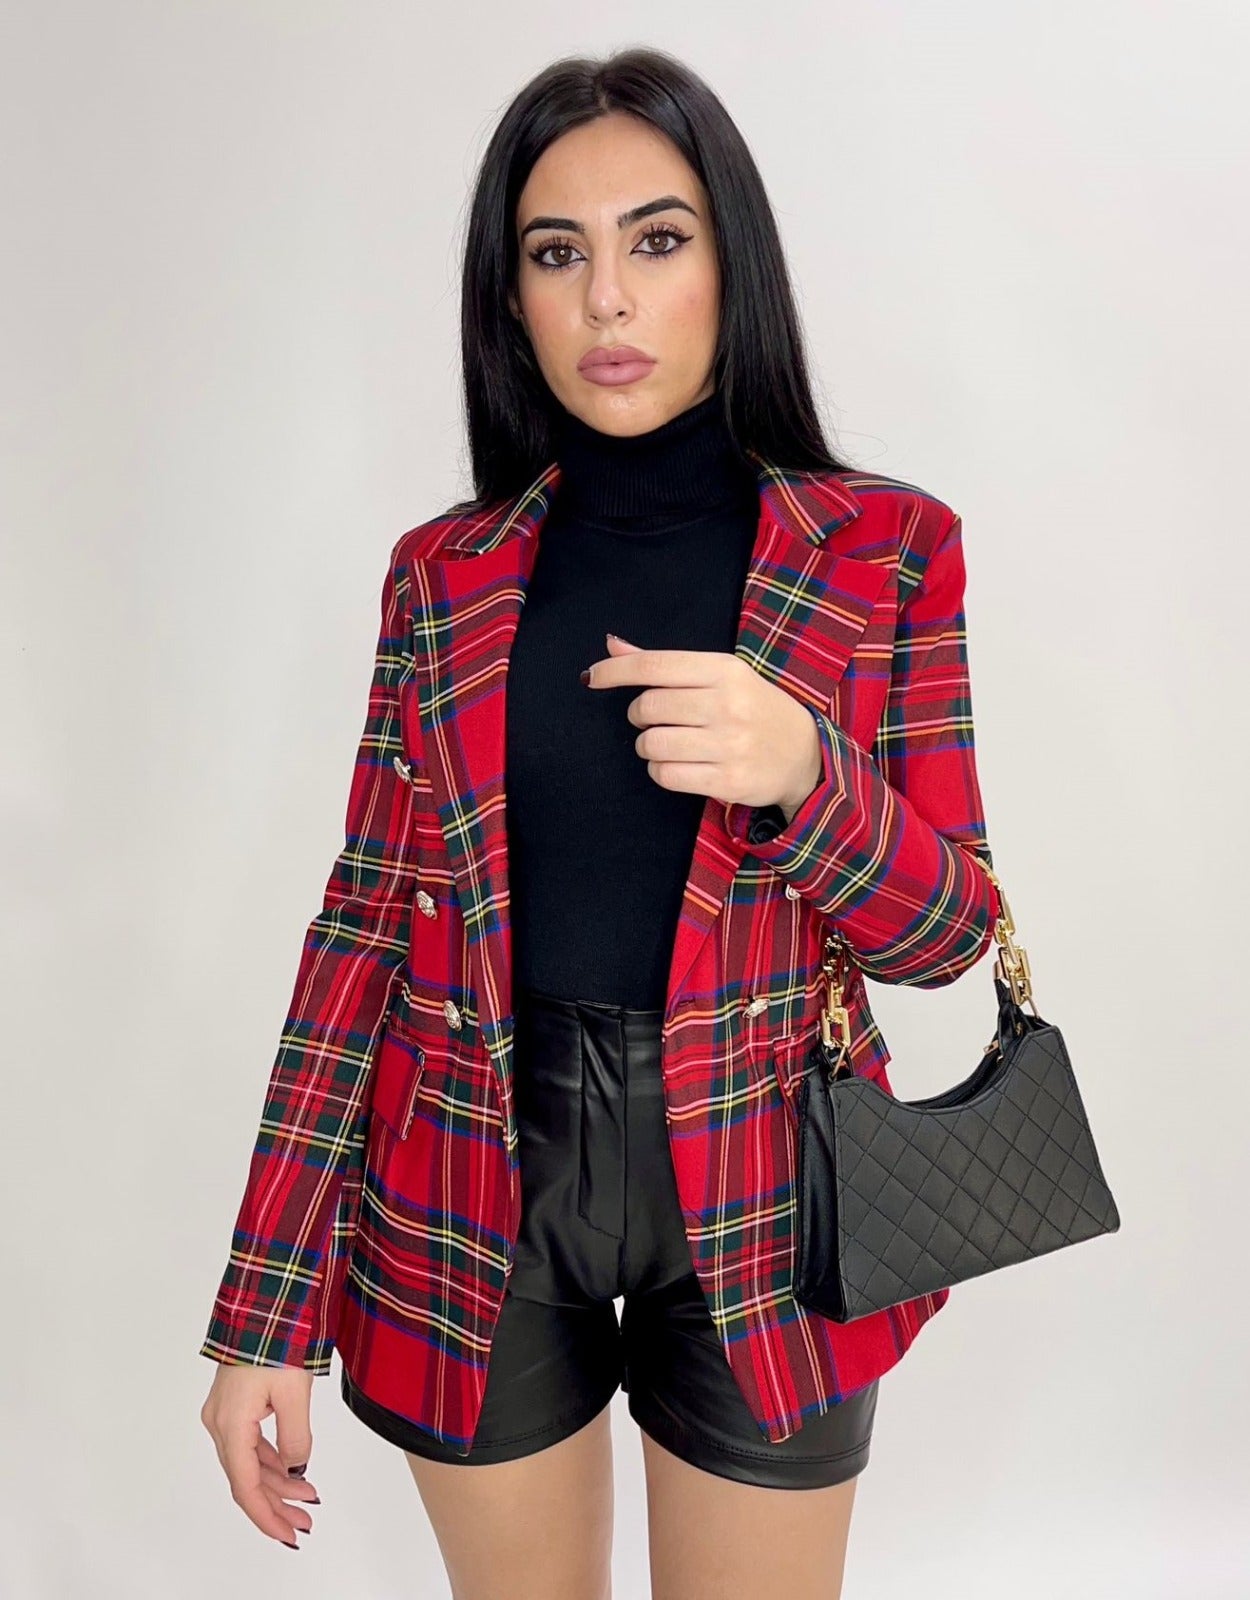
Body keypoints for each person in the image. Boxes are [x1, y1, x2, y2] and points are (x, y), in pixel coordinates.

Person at [198, 45, 999, 1600]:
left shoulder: (883, 550)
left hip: (774, 1178)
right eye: (556, 255)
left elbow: (948, 936)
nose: (609, 299)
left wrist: (803, 771)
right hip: (469, 1181)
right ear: (510, 301)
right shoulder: (442, 574)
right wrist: (262, 1308)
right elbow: (362, 929)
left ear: (729, 264)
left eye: (657, 239)